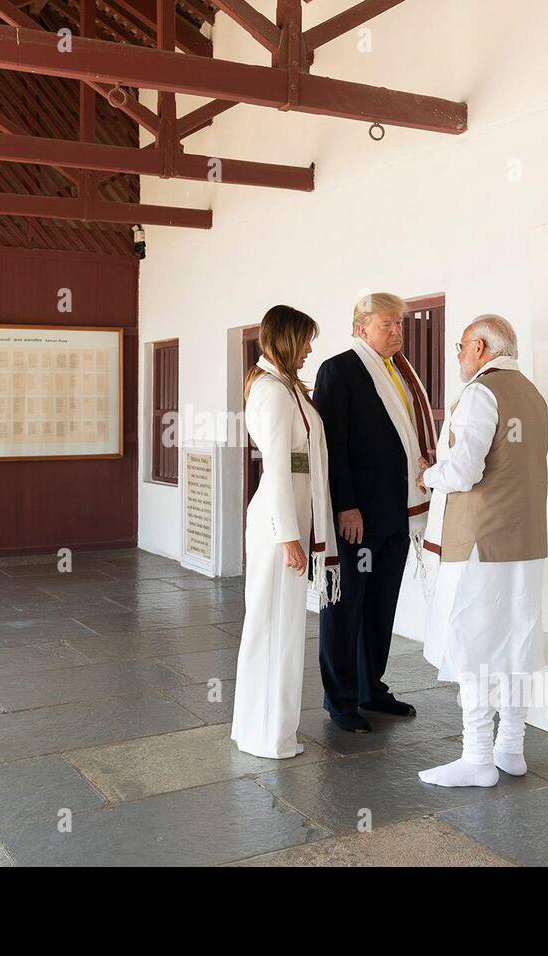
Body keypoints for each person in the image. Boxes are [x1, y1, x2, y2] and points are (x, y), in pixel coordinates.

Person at [415, 315, 548, 787]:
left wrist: (428, 475)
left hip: (481, 542)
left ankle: (477, 757)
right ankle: (511, 747)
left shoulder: (479, 394)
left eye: (460, 347)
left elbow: (464, 470)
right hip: (525, 541)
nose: (457, 356)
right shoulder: (533, 395)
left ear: (480, 346)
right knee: (514, 638)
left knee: (472, 641)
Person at [312, 293, 436, 733]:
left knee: (381, 607)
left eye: (400, 324)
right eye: (388, 324)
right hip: (358, 516)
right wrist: (345, 504)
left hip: (399, 512)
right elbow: (333, 446)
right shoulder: (339, 369)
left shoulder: (400, 372)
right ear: (361, 327)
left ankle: (371, 688)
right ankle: (340, 699)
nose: (397, 332)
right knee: (345, 608)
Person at [231, 305, 340, 759]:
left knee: (279, 626)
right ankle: (269, 736)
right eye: (307, 339)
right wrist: (288, 535)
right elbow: (277, 469)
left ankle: (265, 729)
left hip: (288, 519)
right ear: (288, 339)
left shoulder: (282, 386)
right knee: (275, 629)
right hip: (280, 526)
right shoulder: (274, 393)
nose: (312, 348)